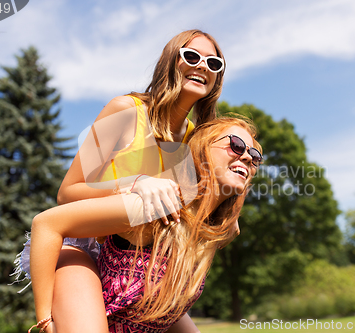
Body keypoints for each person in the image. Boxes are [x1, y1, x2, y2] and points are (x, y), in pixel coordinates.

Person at [15, 29, 227, 332]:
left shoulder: (196, 140)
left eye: (214, 63)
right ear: (171, 62)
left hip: (141, 263)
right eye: (191, 56)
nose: (203, 66)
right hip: (86, 246)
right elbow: (67, 193)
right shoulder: (126, 111)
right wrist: (135, 182)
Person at [29, 117, 263, 332]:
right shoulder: (159, 206)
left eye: (254, 155)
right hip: (82, 293)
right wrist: (45, 319)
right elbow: (46, 223)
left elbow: (163, 303)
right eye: (236, 145)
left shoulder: (214, 231)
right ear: (201, 150)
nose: (247, 156)